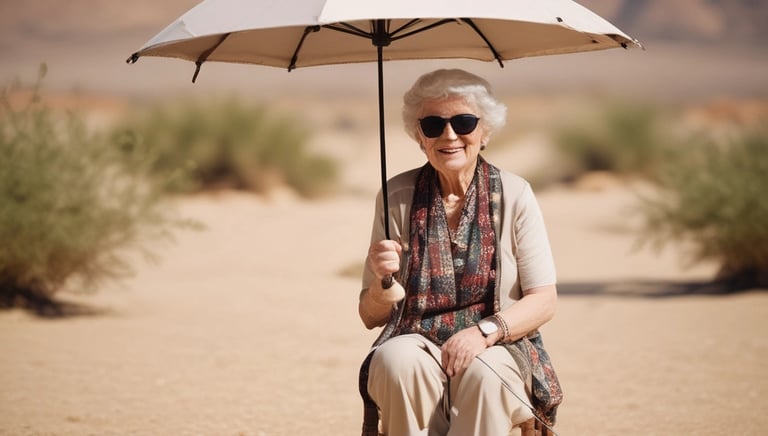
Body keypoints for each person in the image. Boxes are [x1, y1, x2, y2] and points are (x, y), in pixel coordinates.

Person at [358, 69, 563, 436]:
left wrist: (484, 333)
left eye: (464, 122)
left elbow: (544, 299)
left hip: (498, 342)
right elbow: (371, 315)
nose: (449, 135)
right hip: (416, 339)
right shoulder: (396, 198)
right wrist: (380, 281)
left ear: (484, 132)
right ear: (420, 136)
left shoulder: (516, 195)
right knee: (394, 360)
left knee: (485, 373)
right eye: (434, 124)